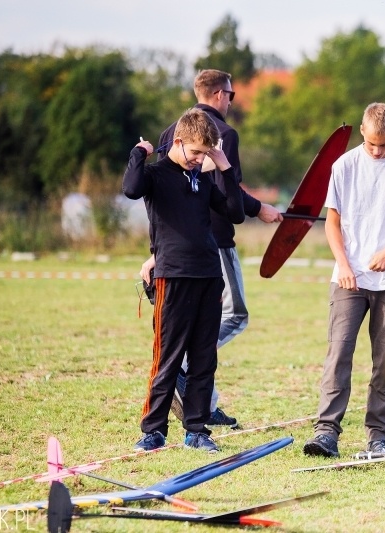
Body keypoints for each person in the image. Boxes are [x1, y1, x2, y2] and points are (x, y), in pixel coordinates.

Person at [140, 69, 281, 428]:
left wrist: (156, 249)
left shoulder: (171, 131)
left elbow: (164, 203)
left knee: (206, 330)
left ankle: (203, 407)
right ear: (219, 95)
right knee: (234, 317)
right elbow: (225, 191)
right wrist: (258, 207)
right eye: (231, 95)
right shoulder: (223, 134)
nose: (232, 101)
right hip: (212, 244)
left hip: (174, 248)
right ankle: (184, 373)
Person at [303, 103, 385, 458]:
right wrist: (343, 264)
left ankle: (378, 435)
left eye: (383, 144)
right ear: (362, 131)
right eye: (372, 143)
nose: (376, 150)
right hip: (348, 278)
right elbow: (332, 222)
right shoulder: (344, 166)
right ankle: (326, 432)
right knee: (339, 352)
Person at [124, 108, 244, 453]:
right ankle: (153, 430)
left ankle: (196, 430)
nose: (197, 160)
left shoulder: (203, 178)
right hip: (173, 278)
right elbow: (131, 188)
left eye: (204, 154)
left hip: (208, 276)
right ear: (178, 142)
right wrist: (139, 152)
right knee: (168, 357)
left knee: (204, 359)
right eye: (194, 153)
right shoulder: (157, 174)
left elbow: (234, 213)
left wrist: (223, 166)